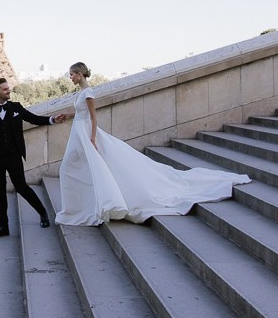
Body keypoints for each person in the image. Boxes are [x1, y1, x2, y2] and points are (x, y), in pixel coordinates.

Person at [55, 62, 251, 226]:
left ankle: (90, 206)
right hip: (78, 130)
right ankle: (84, 206)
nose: (70, 77)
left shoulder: (88, 93)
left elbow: (93, 116)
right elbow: (81, 112)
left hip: (85, 132)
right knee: (74, 167)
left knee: (73, 167)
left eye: (72, 74)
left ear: (80, 75)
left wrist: (92, 137)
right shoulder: (81, 93)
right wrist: (68, 115)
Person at [0, 77, 70, 239]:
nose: (8, 91)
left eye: (8, 88)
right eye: (5, 89)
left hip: (13, 155)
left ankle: (43, 213)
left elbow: (34, 119)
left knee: (22, 186)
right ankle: (3, 226)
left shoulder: (16, 108)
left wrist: (52, 120)